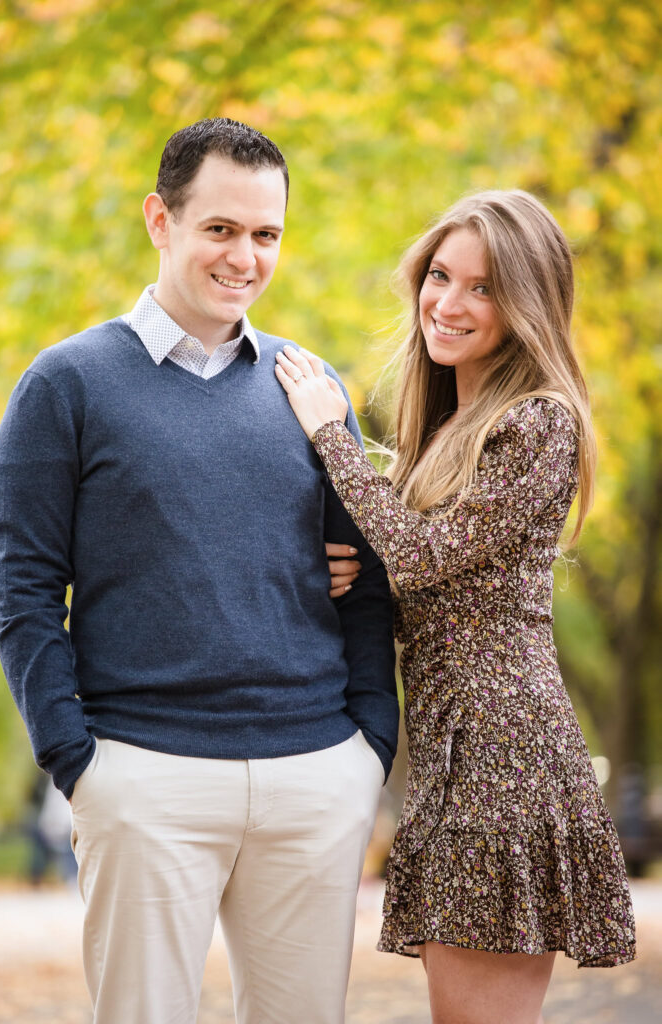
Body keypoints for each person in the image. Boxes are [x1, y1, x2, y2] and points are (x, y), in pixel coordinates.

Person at [0, 117, 398, 1024]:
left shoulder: (310, 384)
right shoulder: (67, 384)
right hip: (143, 774)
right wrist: (77, 759)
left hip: (314, 776)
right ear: (160, 220)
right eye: (220, 228)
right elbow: (21, 589)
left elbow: (365, 582)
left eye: (265, 234)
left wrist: (367, 743)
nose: (243, 257)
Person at [275, 190, 636, 1024]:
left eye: (483, 287)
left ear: (527, 306)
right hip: (451, 757)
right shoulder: (450, 430)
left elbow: (421, 553)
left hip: (501, 762)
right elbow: (422, 569)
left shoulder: (538, 423)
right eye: (440, 276)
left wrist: (331, 433)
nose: (448, 302)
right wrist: (359, 568)